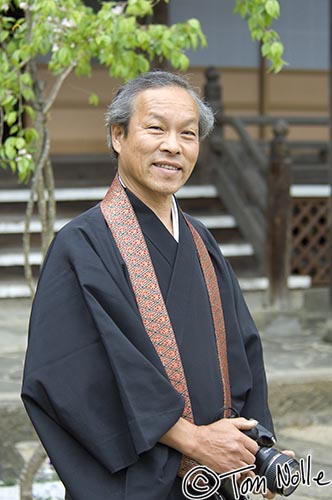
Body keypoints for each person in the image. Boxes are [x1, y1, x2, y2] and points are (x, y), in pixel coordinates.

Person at [22, 71, 280, 500]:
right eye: (156, 128)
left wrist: (255, 450)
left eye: (188, 134)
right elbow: (69, 377)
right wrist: (191, 440)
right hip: (144, 480)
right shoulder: (82, 244)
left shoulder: (201, 241)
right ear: (118, 135)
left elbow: (244, 352)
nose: (173, 146)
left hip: (222, 480)